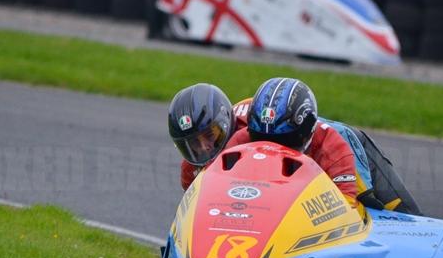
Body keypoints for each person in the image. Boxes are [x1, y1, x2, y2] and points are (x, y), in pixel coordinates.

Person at [168, 80, 422, 215]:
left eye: (210, 135)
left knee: (388, 214)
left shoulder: (255, 127)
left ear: (227, 122)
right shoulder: (193, 167)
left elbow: (348, 209)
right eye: (191, 145)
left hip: (341, 144)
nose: (203, 148)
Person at [222, 77, 360, 207]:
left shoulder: (332, 147)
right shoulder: (240, 141)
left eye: (284, 140)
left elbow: (347, 206)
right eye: (260, 139)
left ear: (306, 131)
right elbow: (216, 184)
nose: (271, 150)